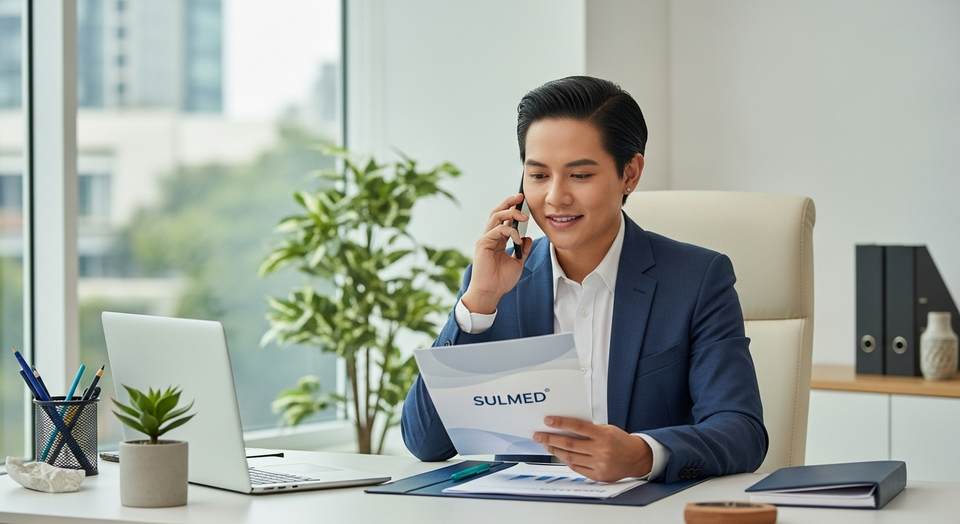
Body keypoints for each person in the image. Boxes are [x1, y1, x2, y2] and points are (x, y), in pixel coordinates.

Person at [400, 76, 767, 483]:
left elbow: (742, 432)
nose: (556, 197)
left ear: (630, 173)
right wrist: (479, 303)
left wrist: (642, 454)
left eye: (579, 175)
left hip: (642, 508)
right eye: (538, 176)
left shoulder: (696, 280)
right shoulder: (497, 283)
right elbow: (426, 443)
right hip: (526, 508)